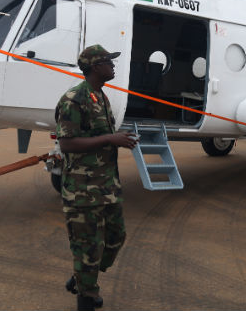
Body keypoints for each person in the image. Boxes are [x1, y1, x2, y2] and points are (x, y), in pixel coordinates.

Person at [55, 44, 138, 311]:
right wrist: (110, 139)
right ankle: (87, 295)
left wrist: (115, 139)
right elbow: (67, 144)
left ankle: (83, 277)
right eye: (108, 62)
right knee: (88, 248)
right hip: (82, 190)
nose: (113, 66)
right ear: (94, 67)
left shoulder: (100, 96)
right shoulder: (74, 99)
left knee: (116, 237)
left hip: (106, 186)